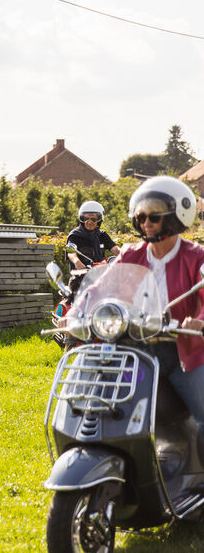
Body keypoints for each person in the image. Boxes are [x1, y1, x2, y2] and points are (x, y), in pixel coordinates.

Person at [117, 176, 204, 423]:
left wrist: (198, 321)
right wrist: (75, 311)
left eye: (154, 216)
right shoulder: (130, 254)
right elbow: (105, 287)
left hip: (183, 352)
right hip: (138, 351)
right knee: (113, 409)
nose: (146, 223)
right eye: (141, 217)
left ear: (177, 215)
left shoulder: (196, 256)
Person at [66, 200, 121, 270]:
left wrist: (127, 257)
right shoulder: (75, 235)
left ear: (99, 220)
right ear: (81, 219)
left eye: (93, 219)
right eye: (85, 218)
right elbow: (71, 252)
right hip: (80, 275)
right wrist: (77, 262)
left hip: (99, 274)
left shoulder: (102, 235)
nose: (89, 222)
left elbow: (115, 249)